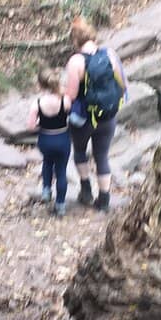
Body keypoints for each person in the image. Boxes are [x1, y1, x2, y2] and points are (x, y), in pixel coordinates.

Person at [63, 16, 127, 212]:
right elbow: (122, 84)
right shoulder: (110, 54)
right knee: (102, 156)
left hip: (83, 118)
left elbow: (72, 94)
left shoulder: (76, 61)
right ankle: (104, 201)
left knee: (80, 152)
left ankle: (86, 191)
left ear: (75, 40)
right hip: (107, 115)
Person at [28, 67, 71, 216]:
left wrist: (42, 125)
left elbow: (31, 127)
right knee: (61, 171)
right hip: (62, 139)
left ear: (40, 85)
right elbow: (69, 116)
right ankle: (60, 205)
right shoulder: (65, 100)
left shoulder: (37, 103)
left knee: (47, 162)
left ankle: (46, 190)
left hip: (46, 139)